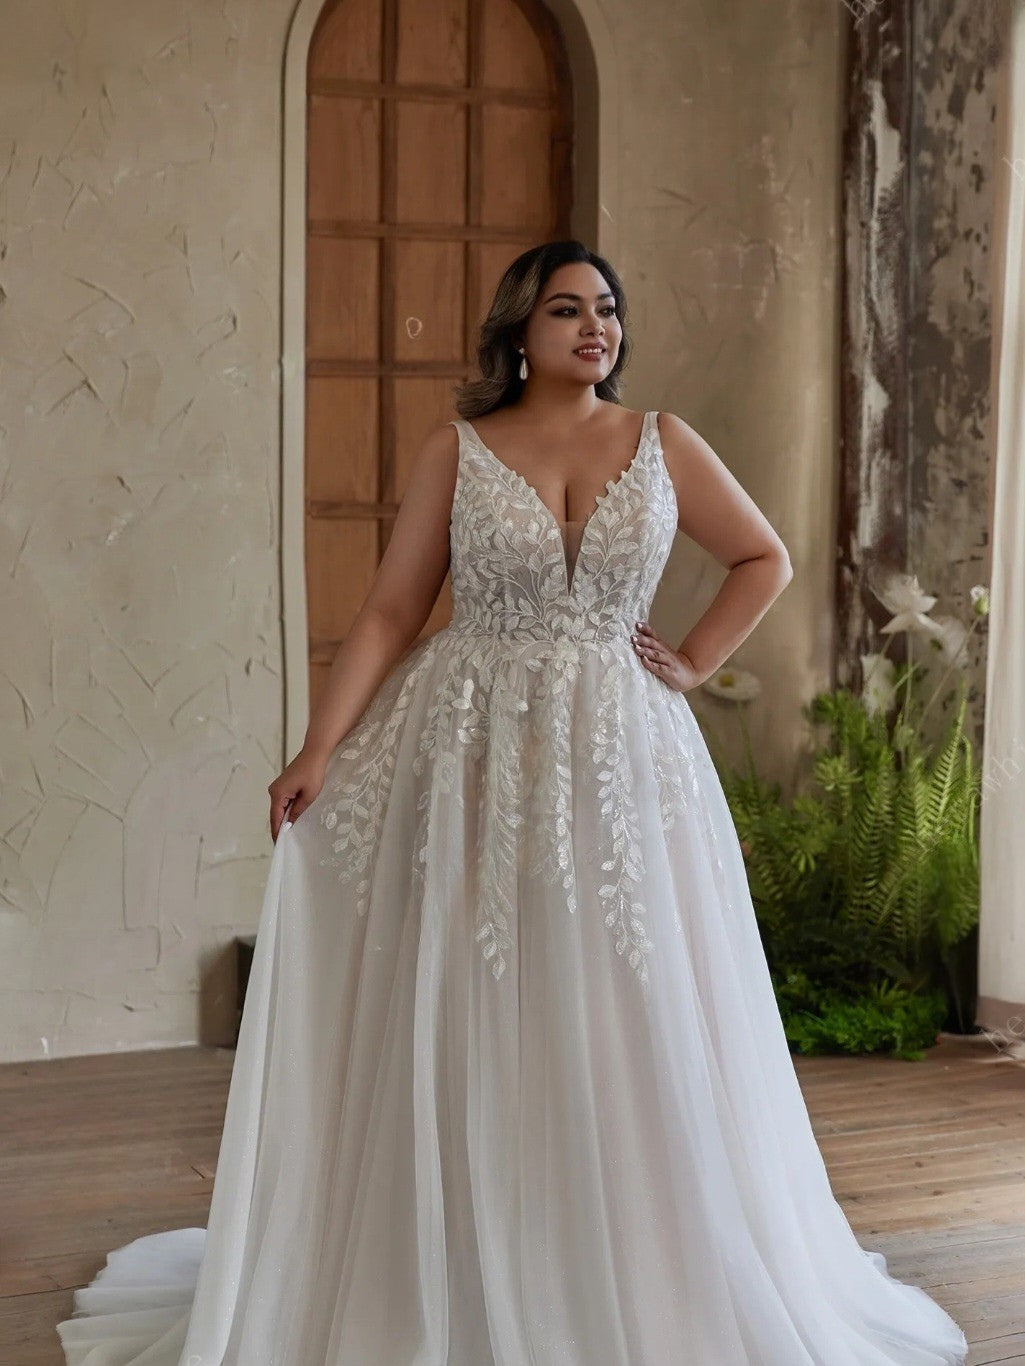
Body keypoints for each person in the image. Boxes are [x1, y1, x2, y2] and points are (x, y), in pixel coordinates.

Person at [57, 239, 969, 1365]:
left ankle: (631, 1258)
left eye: (608, 310)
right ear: (517, 333)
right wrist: (317, 747)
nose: (596, 327)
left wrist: (686, 659)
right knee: (483, 979)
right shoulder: (461, 449)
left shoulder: (661, 442)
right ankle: (460, 1254)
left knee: (622, 993)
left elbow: (762, 558)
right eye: (567, 309)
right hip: (472, 743)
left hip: (622, 752)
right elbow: (393, 613)